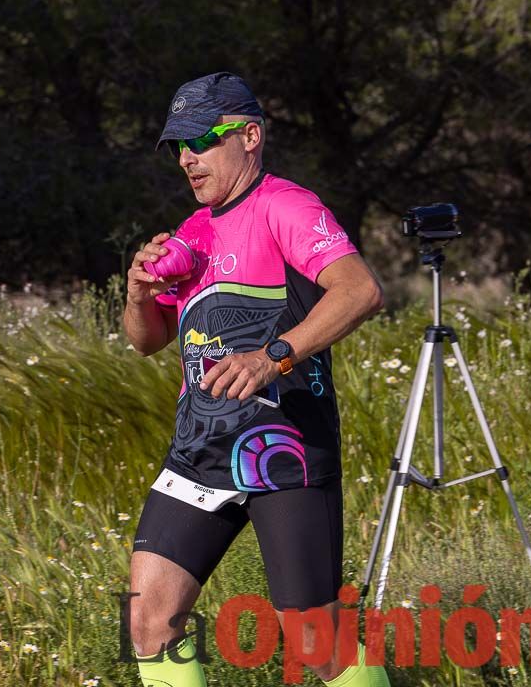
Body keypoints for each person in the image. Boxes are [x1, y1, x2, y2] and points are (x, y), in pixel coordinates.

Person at [123, 72, 390, 687]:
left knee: (316, 642)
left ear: (249, 136)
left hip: (283, 449)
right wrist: (137, 294)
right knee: (149, 618)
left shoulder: (286, 206)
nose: (188, 157)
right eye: (177, 146)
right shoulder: (193, 230)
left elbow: (361, 290)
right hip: (201, 450)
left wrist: (275, 356)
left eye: (201, 139)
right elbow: (148, 342)